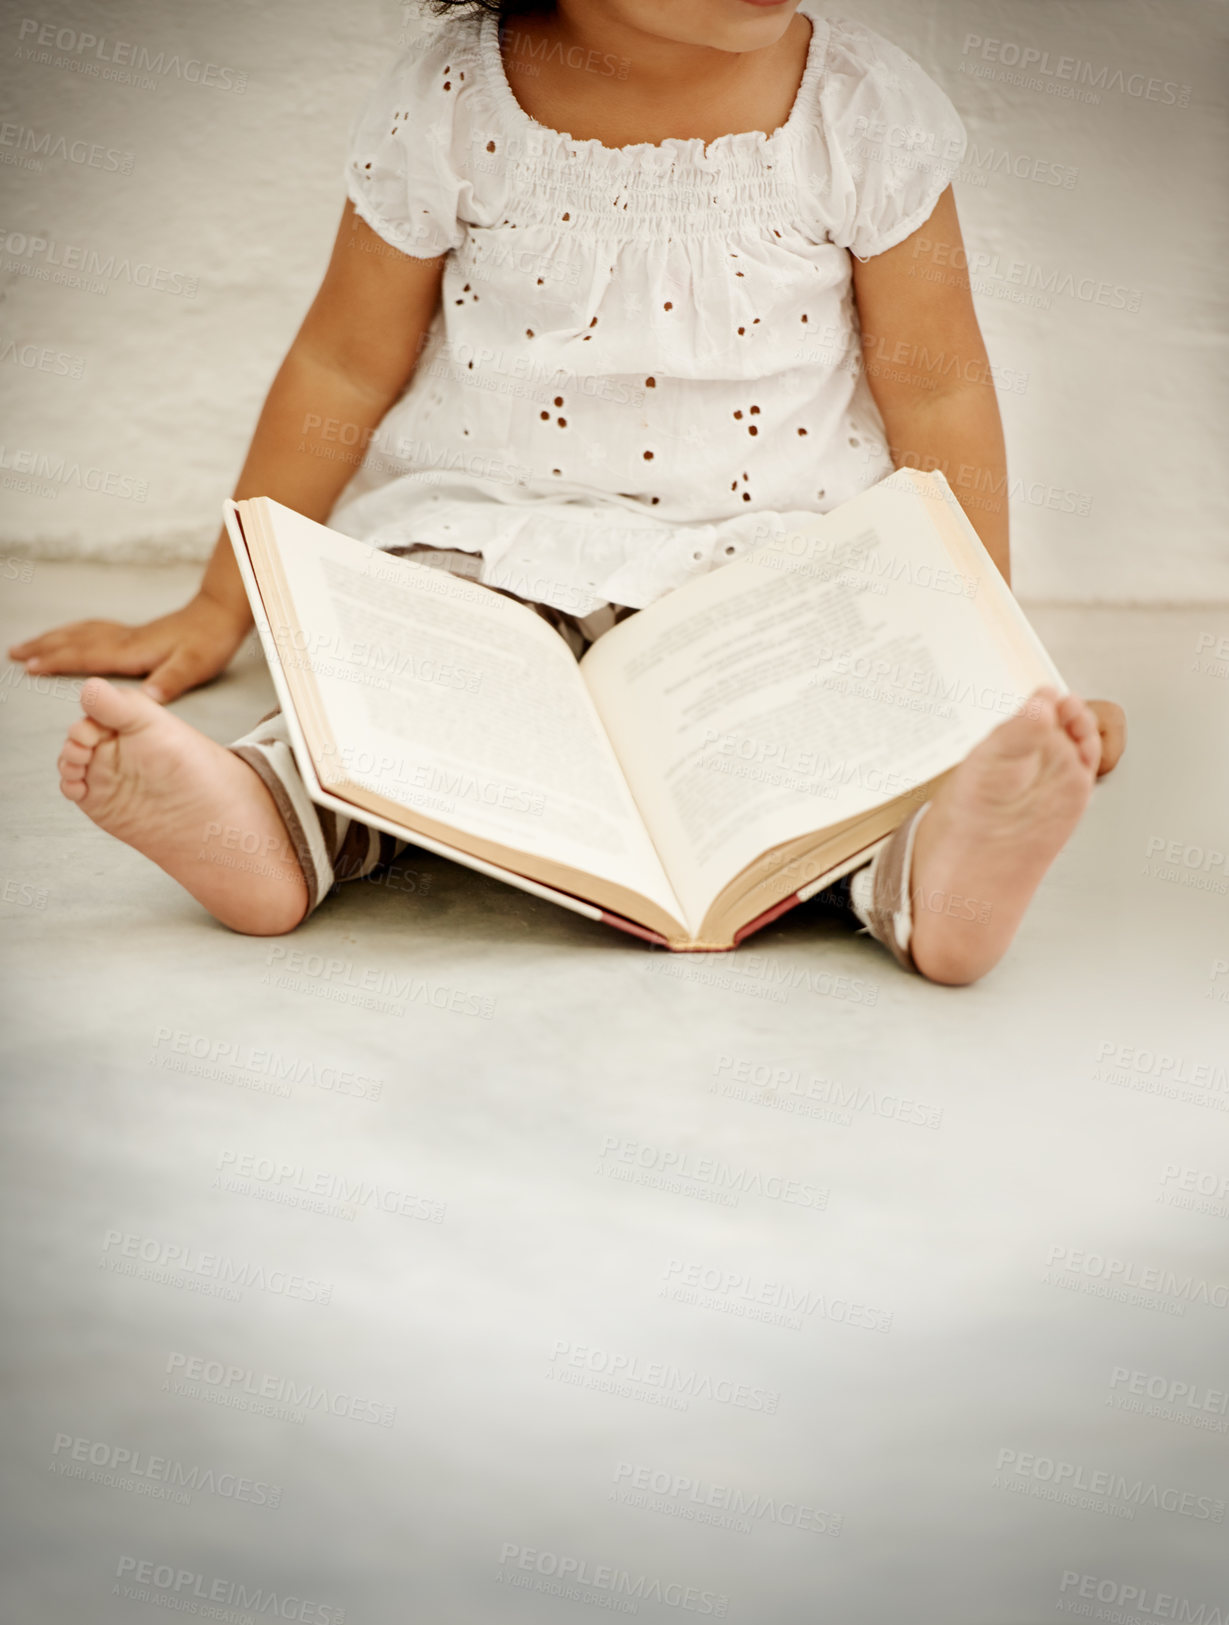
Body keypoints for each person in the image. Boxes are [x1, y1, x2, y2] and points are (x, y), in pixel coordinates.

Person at [17, 0, 1126, 982]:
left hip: (773, 562)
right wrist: (222, 606)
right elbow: (341, 365)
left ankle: (937, 873)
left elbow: (936, 390)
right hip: (490, 547)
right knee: (392, 691)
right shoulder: (451, 99)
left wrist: (992, 662)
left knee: (832, 744)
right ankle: (261, 820)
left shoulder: (859, 111)